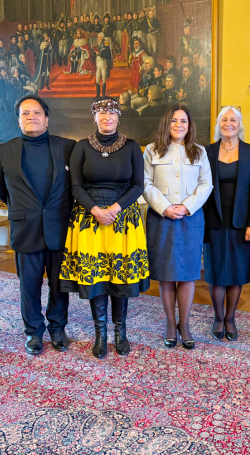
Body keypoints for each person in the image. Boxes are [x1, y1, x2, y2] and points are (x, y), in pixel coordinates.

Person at [59, 97, 149, 358]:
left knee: (120, 277)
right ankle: (101, 334)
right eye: (102, 113)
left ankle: (121, 332)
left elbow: (138, 186)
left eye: (112, 113)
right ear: (94, 117)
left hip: (123, 219)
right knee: (97, 279)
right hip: (90, 219)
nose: (107, 117)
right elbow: (75, 186)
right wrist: (96, 210)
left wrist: (114, 209)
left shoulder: (132, 147)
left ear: (119, 117)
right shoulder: (81, 147)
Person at [0, 95, 75, 355]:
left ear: (47, 118)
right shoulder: (4, 150)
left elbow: (75, 188)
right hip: (25, 228)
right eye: (25, 113)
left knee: (60, 284)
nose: (32, 117)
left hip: (59, 227)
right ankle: (33, 332)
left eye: (37, 112)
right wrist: (25, 210)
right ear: (18, 121)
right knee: (28, 285)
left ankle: (58, 328)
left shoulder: (68, 147)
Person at [143, 105, 213, 349]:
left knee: (188, 272)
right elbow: (145, 183)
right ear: (167, 123)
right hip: (161, 217)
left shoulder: (199, 152)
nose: (179, 125)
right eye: (174, 120)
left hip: (190, 218)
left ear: (189, 125)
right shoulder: (152, 151)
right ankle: (170, 324)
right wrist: (165, 207)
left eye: (183, 121)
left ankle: (185, 324)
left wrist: (185, 207)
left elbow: (206, 184)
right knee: (165, 272)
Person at [203, 107, 250, 341]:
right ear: (218, 124)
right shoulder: (206, 152)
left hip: (241, 222)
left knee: (236, 272)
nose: (229, 123)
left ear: (240, 124)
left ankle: (230, 318)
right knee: (216, 271)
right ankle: (218, 318)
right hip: (212, 220)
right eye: (224, 120)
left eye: (233, 120)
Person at [93, 33, 112, 98]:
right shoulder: (96, 45)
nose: (98, 39)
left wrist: (100, 53)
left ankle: (103, 95)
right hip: (97, 63)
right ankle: (98, 95)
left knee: (104, 79)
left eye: (100, 37)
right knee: (97, 79)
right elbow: (94, 54)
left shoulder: (105, 44)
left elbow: (108, 55)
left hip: (103, 63)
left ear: (102, 38)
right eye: (98, 37)